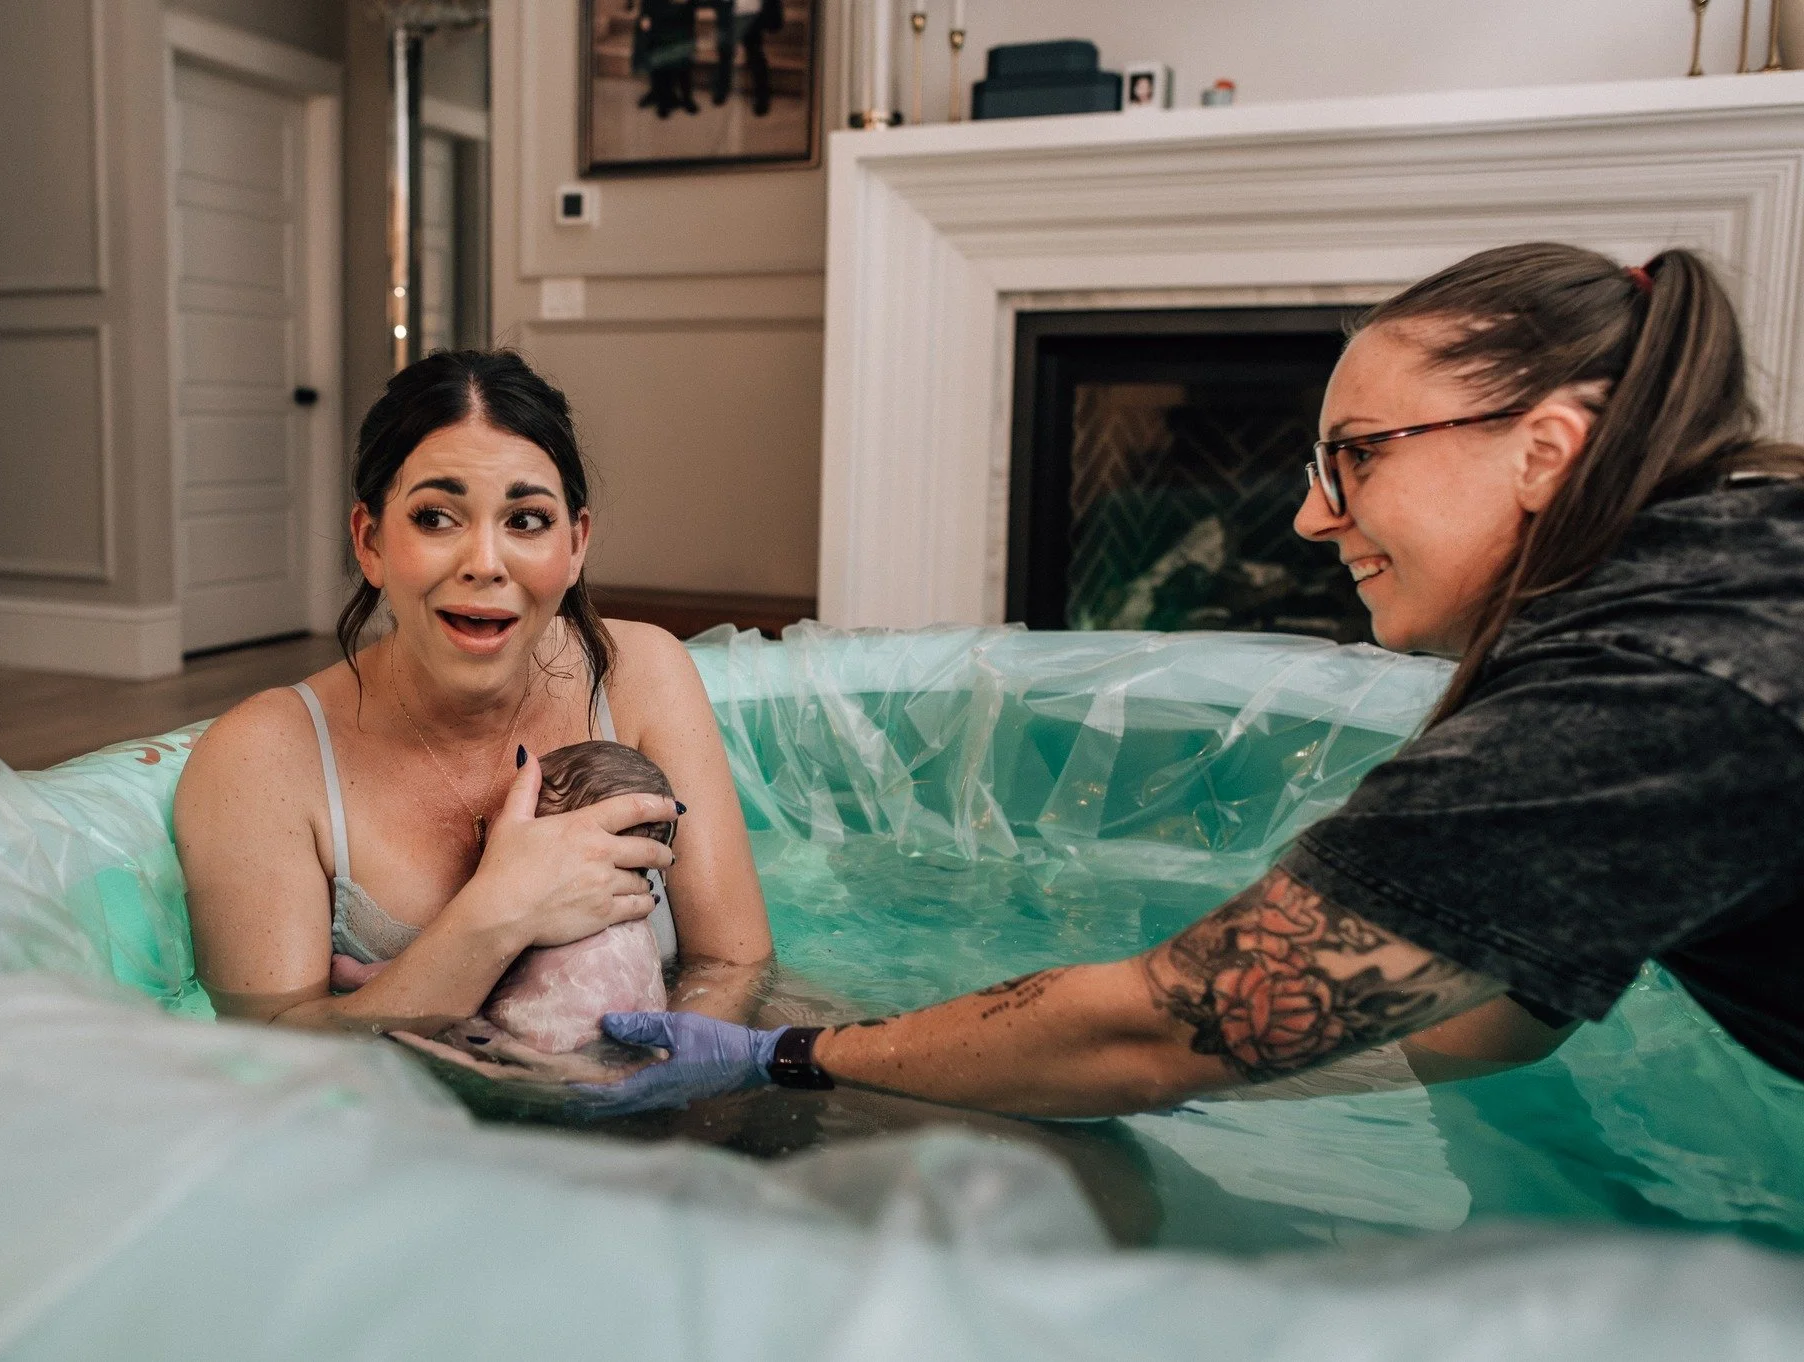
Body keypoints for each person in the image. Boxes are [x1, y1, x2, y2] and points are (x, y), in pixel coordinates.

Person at [574, 242, 1804, 1118]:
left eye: (1353, 459)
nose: (1310, 517)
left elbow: (1159, 1024)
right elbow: (1486, 1026)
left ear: (1546, 450)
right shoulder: (1708, 580)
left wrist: (788, 1056)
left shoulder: (1645, 684)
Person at [174, 350, 773, 1036]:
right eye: (436, 517)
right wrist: (496, 913)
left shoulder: (643, 677)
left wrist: (648, 1081)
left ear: (576, 544)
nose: (484, 565)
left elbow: (732, 967)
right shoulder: (263, 761)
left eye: (526, 521)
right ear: (369, 542)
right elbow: (278, 1054)